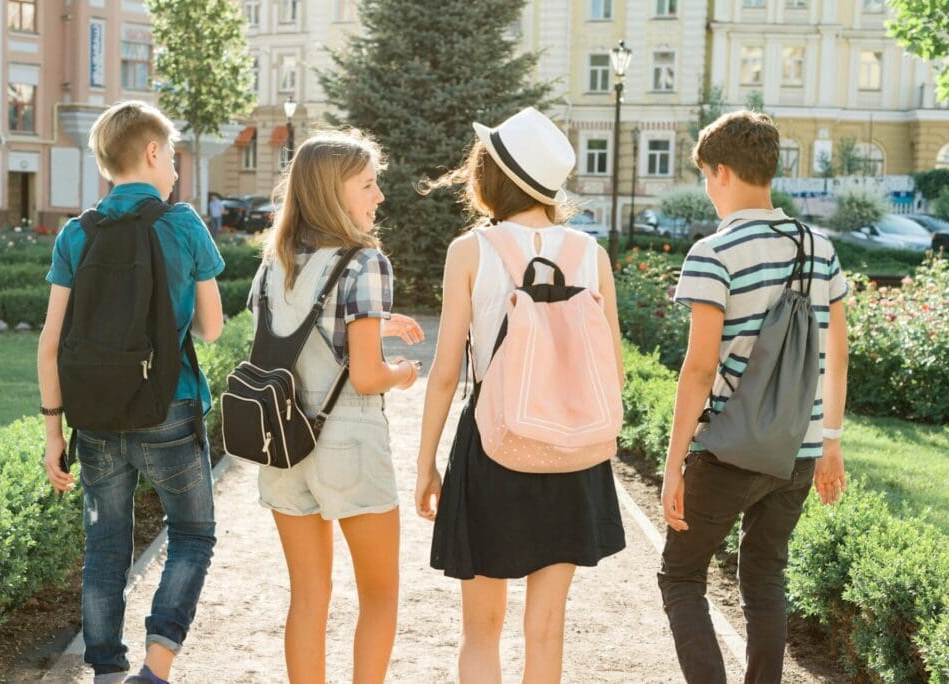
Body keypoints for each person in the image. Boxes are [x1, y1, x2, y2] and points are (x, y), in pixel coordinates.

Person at [415, 107, 626, 682]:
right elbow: (615, 369)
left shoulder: (472, 250)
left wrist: (426, 462)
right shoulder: (590, 253)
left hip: (493, 442)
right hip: (573, 450)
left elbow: (444, 372)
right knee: (548, 628)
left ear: (492, 177)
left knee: (481, 630)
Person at [658, 110, 849, 684]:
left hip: (728, 450)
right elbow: (837, 354)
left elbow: (698, 369)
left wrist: (673, 467)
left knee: (681, 578)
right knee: (765, 576)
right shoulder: (820, 247)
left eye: (707, 179)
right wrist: (831, 443)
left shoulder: (714, 252)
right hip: (800, 448)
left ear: (721, 172)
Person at [38, 100, 225, 683]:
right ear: (150, 153)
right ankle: (157, 664)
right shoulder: (183, 223)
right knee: (192, 535)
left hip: (93, 420)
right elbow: (212, 328)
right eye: (171, 155)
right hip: (168, 407)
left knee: (105, 550)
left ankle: (107, 674)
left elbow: (49, 344)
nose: (174, 168)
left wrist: (53, 434)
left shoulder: (77, 233)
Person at [251, 129, 424, 683]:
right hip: (347, 441)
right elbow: (369, 375)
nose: (378, 197)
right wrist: (402, 375)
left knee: (307, 597)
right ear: (333, 191)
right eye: (369, 185)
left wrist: (378, 324)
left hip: (280, 440)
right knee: (379, 596)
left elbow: (292, 337)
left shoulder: (273, 262)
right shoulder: (363, 262)